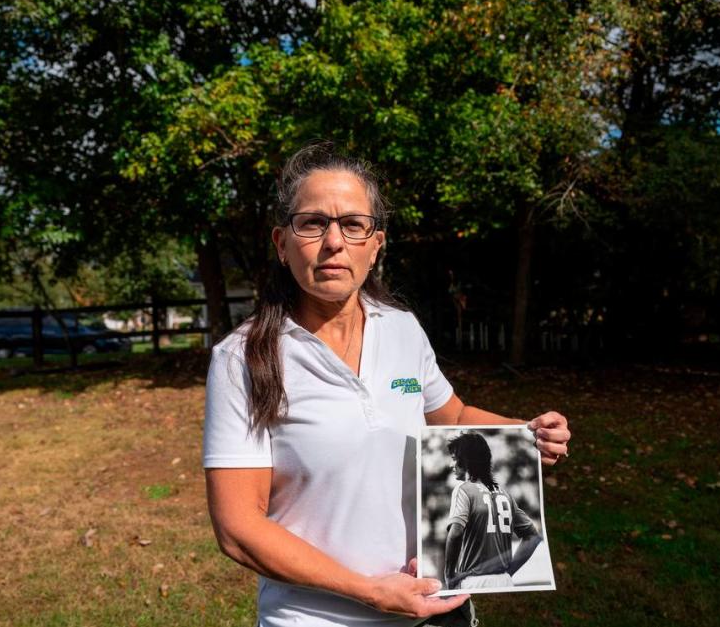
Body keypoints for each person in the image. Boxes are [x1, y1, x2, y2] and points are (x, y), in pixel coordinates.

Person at [203, 143, 571, 627]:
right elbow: (238, 529)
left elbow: (452, 417)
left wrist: (526, 433)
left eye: (353, 225)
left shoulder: (401, 328)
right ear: (281, 243)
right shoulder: (242, 358)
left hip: (439, 607)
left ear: (375, 244)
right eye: (312, 223)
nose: (333, 241)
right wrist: (370, 592)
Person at [443, 432, 544, 591]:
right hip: (504, 581)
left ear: (466, 460)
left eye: (454, 459)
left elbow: (455, 532)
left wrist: (449, 574)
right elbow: (533, 537)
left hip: (473, 581)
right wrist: (509, 572)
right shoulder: (504, 493)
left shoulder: (463, 489)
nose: (451, 465)